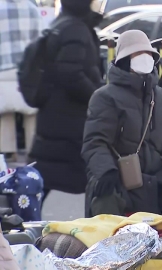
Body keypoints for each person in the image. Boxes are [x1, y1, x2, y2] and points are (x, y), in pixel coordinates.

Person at [82, 30, 162, 217]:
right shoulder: (105, 97)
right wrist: (106, 171)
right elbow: (95, 142)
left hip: (154, 186)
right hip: (119, 185)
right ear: (124, 60)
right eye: (137, 54)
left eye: (147, 54)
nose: (143, 58)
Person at [28, 0, 104, 204]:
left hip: (56, 118)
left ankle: (21, 219)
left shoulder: (62, 24)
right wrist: (98, 96)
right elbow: (70, 73)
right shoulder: (75, 30)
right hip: (69, 122)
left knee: (44, 179)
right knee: (95, 178)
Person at [0, 0, 42, 158]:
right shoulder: (31, 9)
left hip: (2, 70)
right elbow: (39, 41)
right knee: (31, 115)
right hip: (27, 70)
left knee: (5, 116)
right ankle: (33, 156)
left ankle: (7, 156)